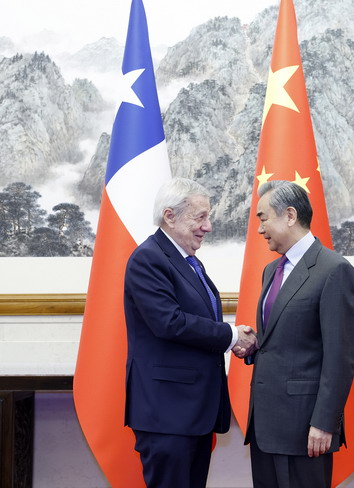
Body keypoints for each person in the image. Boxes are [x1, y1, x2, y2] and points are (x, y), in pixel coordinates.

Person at [123, 177, 257, 488]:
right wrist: (232, 336)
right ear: (170, 216)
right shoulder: (149, 258)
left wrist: (233, 338)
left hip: (192, 412)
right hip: (167, 413)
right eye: (200, 217)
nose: (208, 227)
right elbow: (169, 322)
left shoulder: (189, 262)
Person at [244, 180, 354, 488]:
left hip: (305, 429)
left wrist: (324, 423)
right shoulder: (272, 271)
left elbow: (341, 356)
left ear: (290, 215)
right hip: (265, 425)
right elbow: (286, 336)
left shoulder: (334, 270)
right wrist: (256, 342)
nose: (259, 229)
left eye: (263, 217)